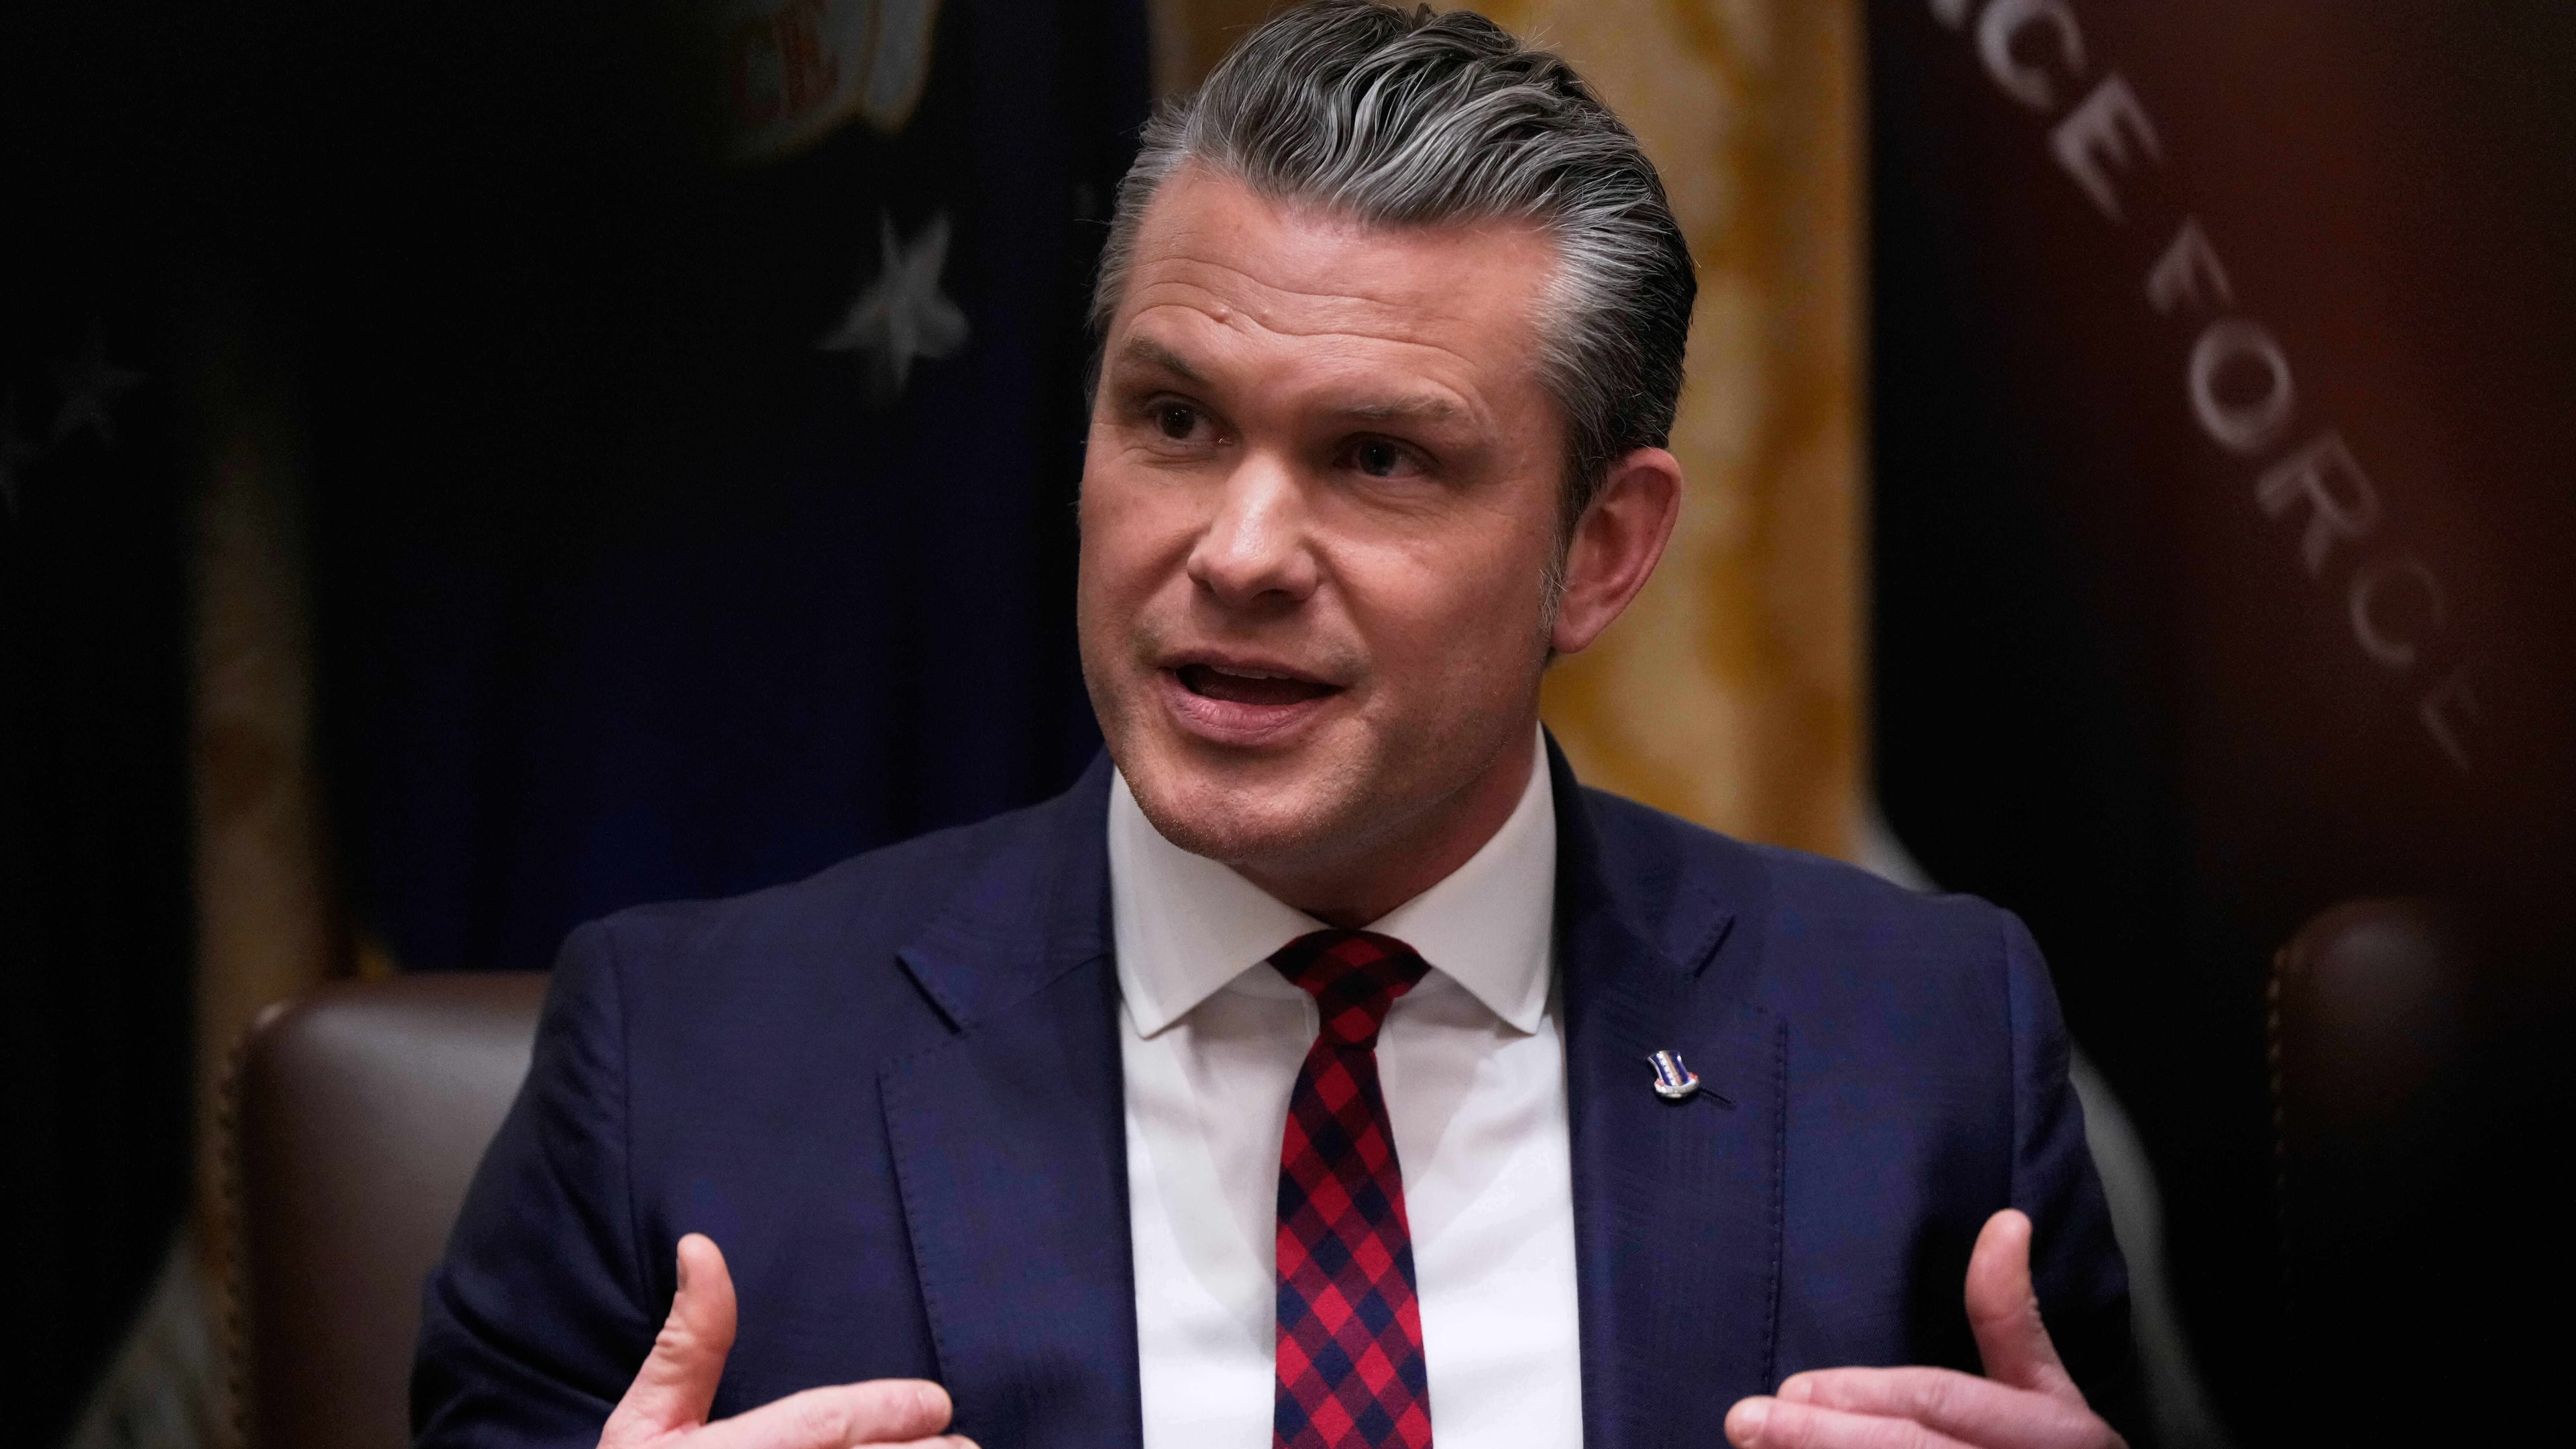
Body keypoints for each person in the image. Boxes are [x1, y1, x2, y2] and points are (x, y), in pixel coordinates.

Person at [413, 5, 2136, 1448]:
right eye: (1174, 420)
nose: (1237, 554)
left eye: (1379, 458)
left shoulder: (1924, 1056)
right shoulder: (684, 1073)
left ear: (1603, 550)